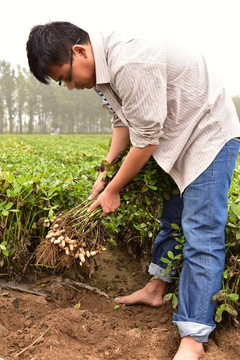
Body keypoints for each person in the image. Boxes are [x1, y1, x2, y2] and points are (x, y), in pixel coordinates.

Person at [26, 21, 240, 360]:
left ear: (79, 52)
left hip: (207, 135)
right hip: (175, 135)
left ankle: (194, 339)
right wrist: (105, 173)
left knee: (202, 233)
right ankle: (156, 289)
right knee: (172, 218)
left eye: (65, 77)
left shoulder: (130, 59)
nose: (69, 86)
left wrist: (113, 190)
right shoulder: (102, 71)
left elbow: (146, 139)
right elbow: (122, 123)